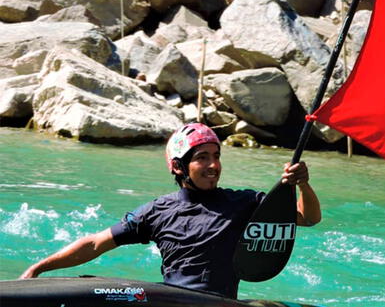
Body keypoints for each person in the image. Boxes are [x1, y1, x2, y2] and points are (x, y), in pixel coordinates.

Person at [19, 123, 321, 299]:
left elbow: (307, 218)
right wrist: (40, 269)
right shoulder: (157, 211)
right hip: (170, 299)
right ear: (178, 166)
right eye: (202, 158)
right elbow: (96, 242)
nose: (213, 165)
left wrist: (302, 185)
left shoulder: (244, 203)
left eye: (216, 156)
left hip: (218, 302)